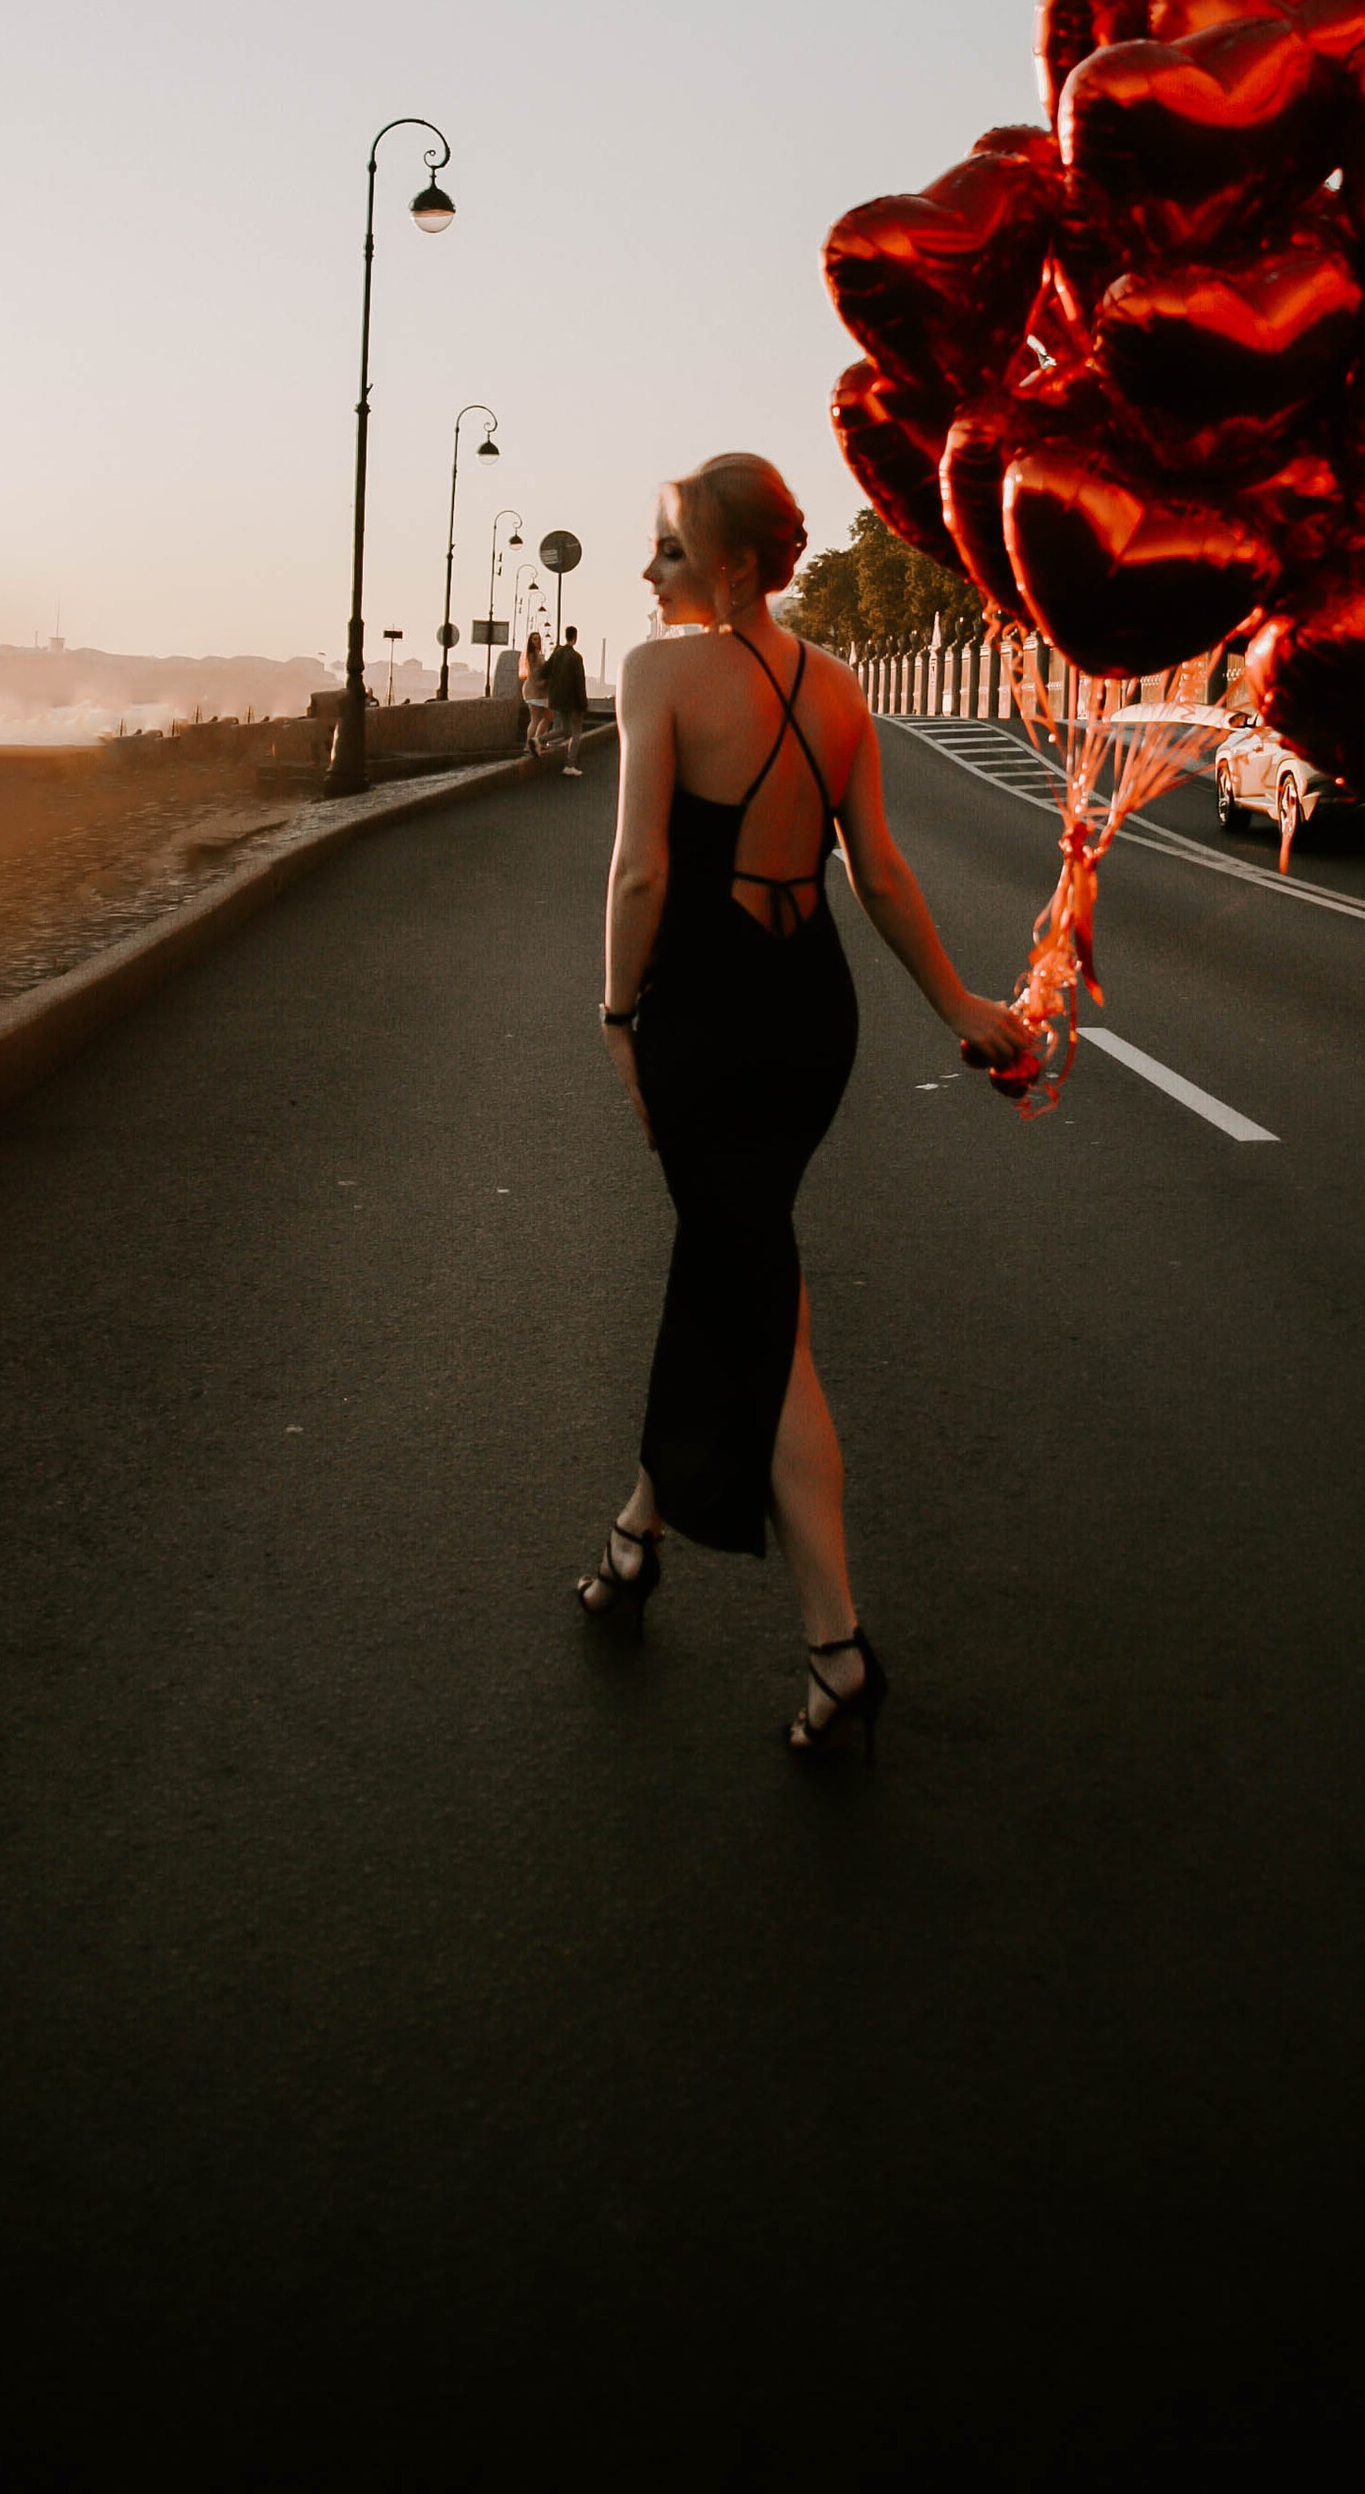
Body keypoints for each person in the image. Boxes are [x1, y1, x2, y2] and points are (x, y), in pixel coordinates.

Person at [580, 452, 1027, 1756]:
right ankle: (632, 1539)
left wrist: (619, 1018)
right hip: (809, 1016)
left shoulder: (658, 676)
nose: (646, 573)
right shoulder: (835, 692)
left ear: (725, 566)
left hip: (708, 1018)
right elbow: (877, 872)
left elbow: (641, 875)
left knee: (758, 1304)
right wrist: (957, 1007)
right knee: (738, 1270)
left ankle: (836, 1648)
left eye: (665, 551)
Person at [543, 624, 590, 775]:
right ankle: (570, 765)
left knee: (562, 729)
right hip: (572, 702)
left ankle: (538, 741)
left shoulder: (557, 653)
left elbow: (544, 672)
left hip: (557, 699)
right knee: (576, 733)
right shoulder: (576, 657)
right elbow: (579, 683)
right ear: (575, 638)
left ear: (565, 636)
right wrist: (583, 704)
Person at [518, 629, 554, 761]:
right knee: (536, 718)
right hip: (535, 689)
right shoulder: (531, 655)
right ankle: (530, 744)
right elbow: (533, 674)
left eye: (538, 638)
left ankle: (538, 742)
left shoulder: (537, 654)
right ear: (529, 641)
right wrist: (542, 682)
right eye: (534, 639)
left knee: (547, 716)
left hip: (540, 690)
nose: (537, 641)